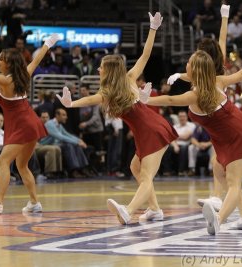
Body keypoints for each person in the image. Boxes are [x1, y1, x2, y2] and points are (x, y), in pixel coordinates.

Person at [57, 12, 178, 224]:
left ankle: (128, 210)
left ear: (109, 71)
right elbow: (144, 56)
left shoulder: (127, 81)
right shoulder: (117, 87)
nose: (98, 69)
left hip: (154, 130)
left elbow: (146, 55)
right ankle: (155, 209)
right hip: (146, 131)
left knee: (147, 175)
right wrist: (71, 104)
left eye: (101, 67)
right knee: (135, 168)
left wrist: (153, 29)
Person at [140, 44, 242, 235]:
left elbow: (169, 100)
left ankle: (218, 220)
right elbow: (240, 75)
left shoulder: (195, 95)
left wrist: (147, 100)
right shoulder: (214, 82)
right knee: (218, 170)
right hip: (224, 140)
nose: (186, 65)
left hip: (240, 135)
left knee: (233, 182)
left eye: (189, 63)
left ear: (196, 70)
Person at [168, 4, 229, 211]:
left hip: (215, 113)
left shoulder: (213, 73)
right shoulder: (207, 71)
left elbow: (222, 42)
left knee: (219, 159)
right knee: (219, 161)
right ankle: (223, 199)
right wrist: (224, 18)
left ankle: (220, 198)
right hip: (209, 114)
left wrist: (225, 17)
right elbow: (222, 40)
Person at [0, 33, 59, 214]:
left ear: (9, 64)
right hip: (32, 123)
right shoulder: (23, 74)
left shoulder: (6, 80)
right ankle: (34, 203)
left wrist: (48, 44)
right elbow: (36, 60)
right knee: (21, 166)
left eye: (1, 59)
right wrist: (48, 43)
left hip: (22, 125)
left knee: (2, 161)